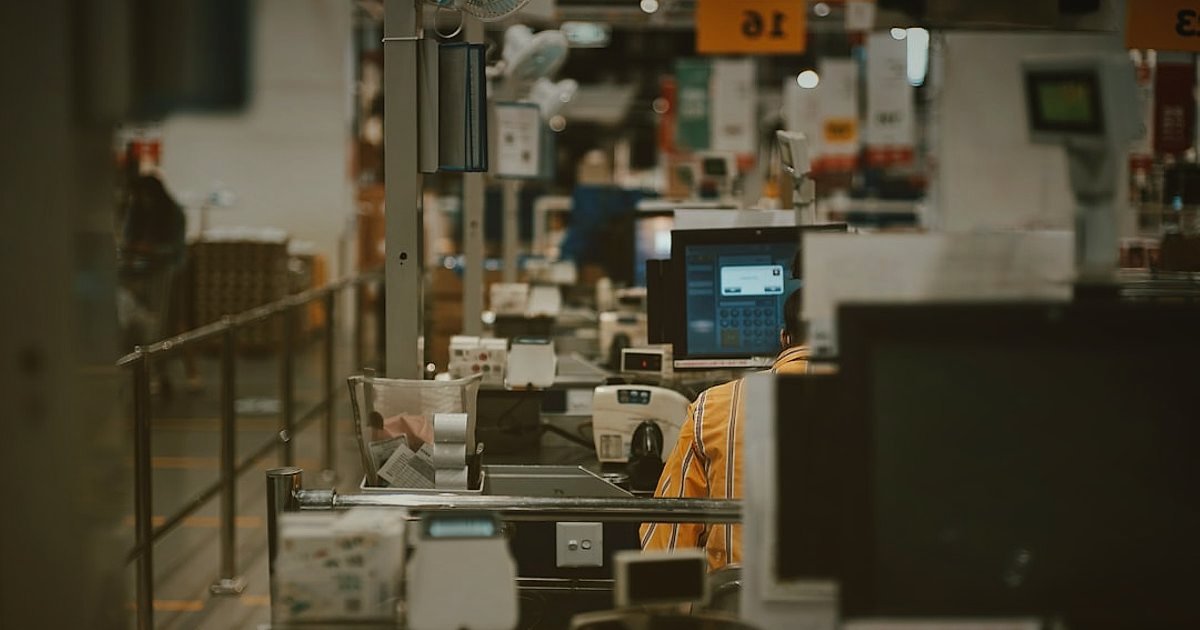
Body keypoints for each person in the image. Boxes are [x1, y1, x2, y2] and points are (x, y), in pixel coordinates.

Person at [639, 288, 810, 572]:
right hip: (860, 611)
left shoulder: (712, 407)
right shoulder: (889, 408)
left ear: (785, 338)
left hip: (735, 609)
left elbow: (665, 547)